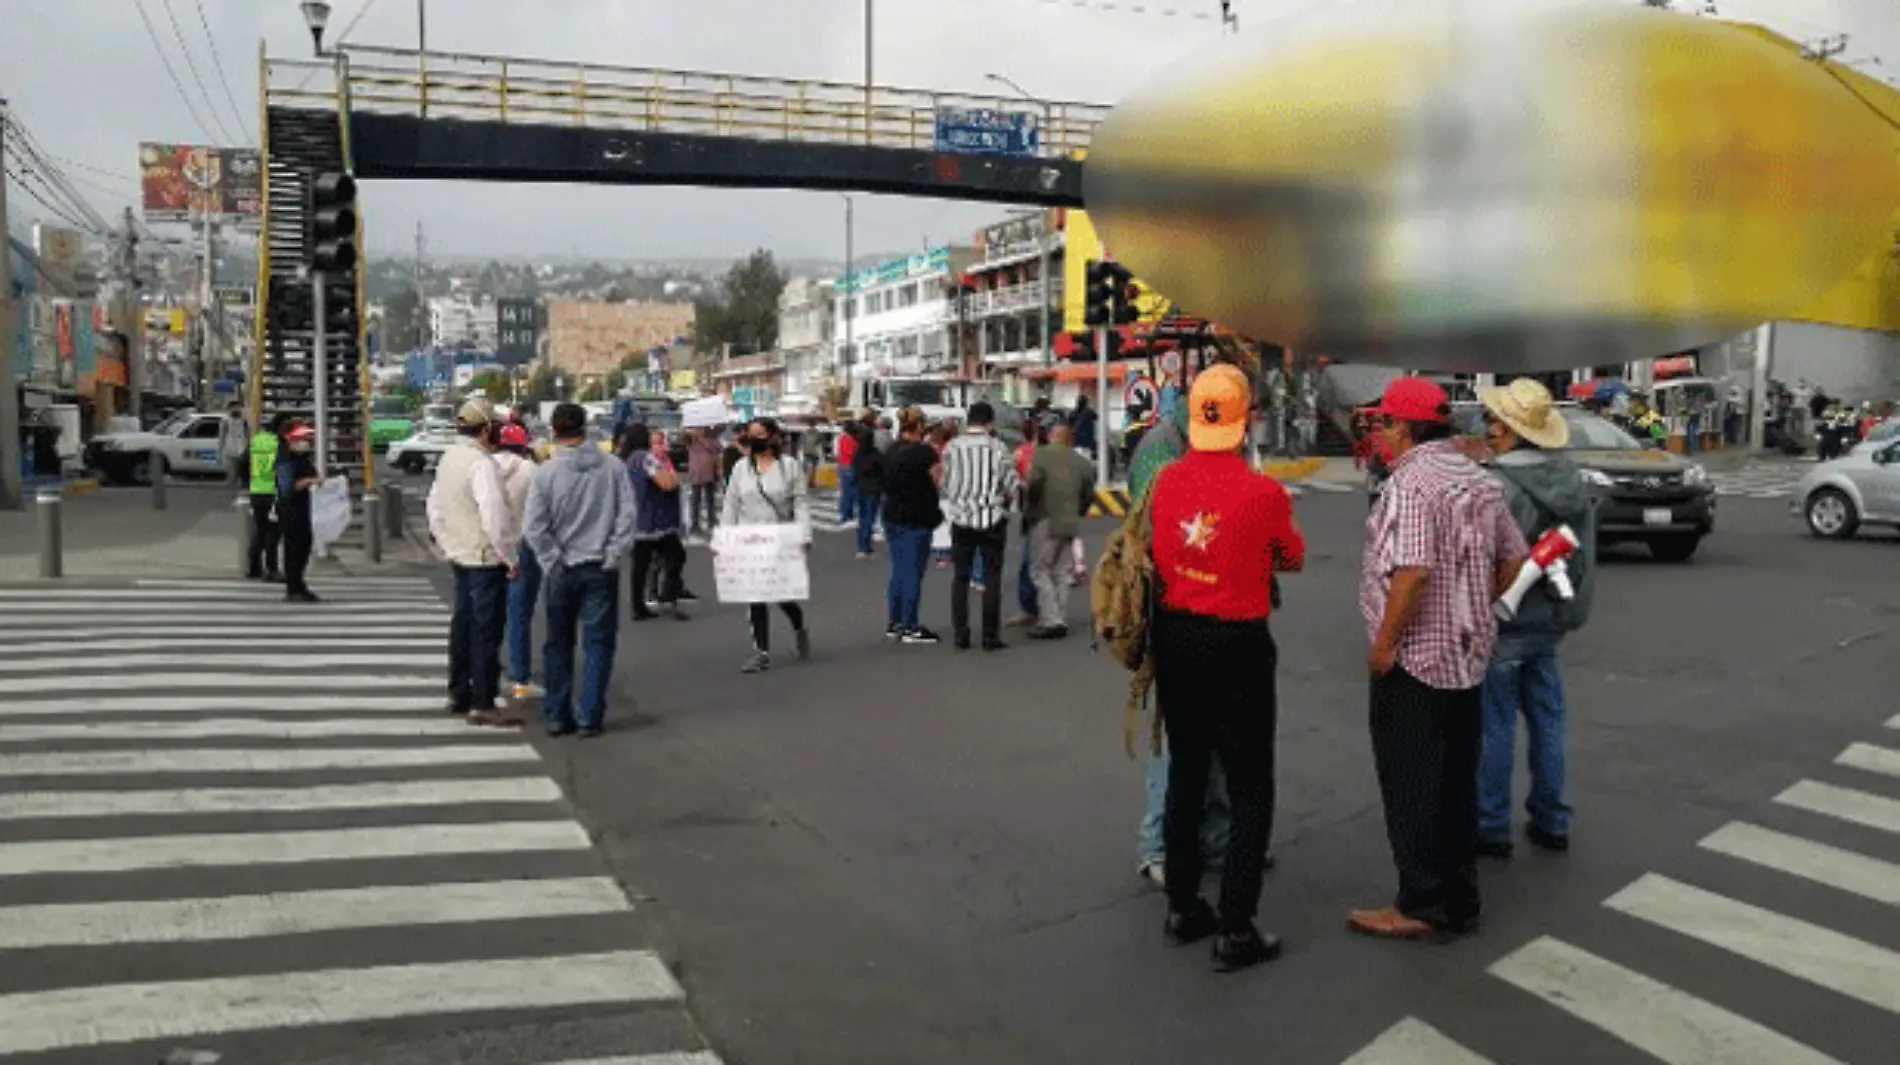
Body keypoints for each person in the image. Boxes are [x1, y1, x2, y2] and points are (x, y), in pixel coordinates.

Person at [1351, 377, 1528, 940]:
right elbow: (1515, 560)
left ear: (1402, 427)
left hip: (1416, 662)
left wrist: (1384, 644)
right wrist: (1478, 608)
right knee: (1455, 781)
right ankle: (1459, 895)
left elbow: (1413, 572)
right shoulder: (1479, 479)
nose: (1379, 434)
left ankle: (1422, 902)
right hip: (1467, 657)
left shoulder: (1410, 484)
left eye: (1383, 423)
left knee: (1411, 781)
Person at [1146, 364, 1304, 971]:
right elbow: (1291, 557)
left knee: (1186, 772)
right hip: (1237, 642)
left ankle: (1183, 906)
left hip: (1177, 638)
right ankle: (1237, 925)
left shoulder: (1166, 483)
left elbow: (1159, 551)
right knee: (1249, 784)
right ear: (1244, 421)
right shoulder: (1262, 492)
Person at [1474, 379, 1595, 858]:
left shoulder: (1497, 485)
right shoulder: (1570, 477)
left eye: (1495, 422)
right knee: (1547, 720)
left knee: (1495, 724)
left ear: (1510, 431)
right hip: (1552, 616)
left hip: (1507, 619)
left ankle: (1490, 824)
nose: (1488, 429)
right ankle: (1551, 818)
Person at [523, 402, 636, 738]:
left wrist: (550, 558)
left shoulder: (545, 473)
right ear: (585, 428)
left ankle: (558, 714)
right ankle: (590, 715)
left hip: (561, 567)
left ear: (554, 431)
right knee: (598, 644)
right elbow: (627, 516)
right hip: (600, 564)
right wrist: (613, 552)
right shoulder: (613, 467)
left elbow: (533, 526)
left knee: (558, 643)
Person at [427, 398, 521, 728]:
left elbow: (434, 509)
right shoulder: (482, 464)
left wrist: (448, 542)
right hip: (484, 556)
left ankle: (459, 692)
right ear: (486, 429)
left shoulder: (449, 459)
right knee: (486, 630)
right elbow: (494, 516)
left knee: (463, 625)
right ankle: (483, 701)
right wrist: (509, 556)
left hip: (460, 554)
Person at [721, 417, 813, 673]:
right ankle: (761, 651)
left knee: (782, 597)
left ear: (773, 437)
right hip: (750, 541)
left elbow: (800, 503)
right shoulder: (741, 468)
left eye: (760, 434)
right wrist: (725, 538)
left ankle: (798, 626)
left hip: (780, 540)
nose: (755, 439)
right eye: (751, 434)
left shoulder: (789, 467)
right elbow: (731, 503)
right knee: (755, 596)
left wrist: (804, 536)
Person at [939, 401, 1020, 652]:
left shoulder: (952, 447)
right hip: (991, 518)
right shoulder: (998, 448)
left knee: (960, 577)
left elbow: (944, 482)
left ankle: (961, 635)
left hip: (961, 519)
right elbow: (1012, 483)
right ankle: (989, 636)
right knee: (991, 577)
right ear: (990, 422)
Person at [1024, 423, 1094, 639]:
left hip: (1046, 518)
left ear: (1053, 437)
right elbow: (1088, 493)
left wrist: (1030, 508)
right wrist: (1077, 510)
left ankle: (1051, 619)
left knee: (1040, 569)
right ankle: (1060, 616)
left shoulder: (1042, 455)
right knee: (1062, 571)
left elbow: (1034, 483)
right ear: (1069, 439)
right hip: (1069, 521)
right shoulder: (1082, 463)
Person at [881, 407, 943, 644]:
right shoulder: (924, 453)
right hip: (916, 516)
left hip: (891, 514)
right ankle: (911, 625)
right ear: (919, 426)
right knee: (913, 572)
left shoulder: (891, 450)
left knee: (898, 570)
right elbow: (938, 480)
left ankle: (895, 622)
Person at [497, 421, 545, 700]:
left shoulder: (485, 465)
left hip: (491, 547)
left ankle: (487, 670)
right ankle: (520, 679)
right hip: (524, 546)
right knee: (519, 615)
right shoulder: (531, 470)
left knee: (488, 613)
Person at [626, 423, 689, 622]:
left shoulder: (628, 460)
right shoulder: (646, 458)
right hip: (656, 520)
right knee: (676, 556)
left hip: (637, 519)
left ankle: (638, 604)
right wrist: (672, 476)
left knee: (640, 566)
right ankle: (668, 595)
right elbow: (667, 483)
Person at [273, 422, 324, 604]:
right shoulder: (285, 461)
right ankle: (293, 587)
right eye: (301, 439)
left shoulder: (301, 459)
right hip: (290, 509)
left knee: (304, 546)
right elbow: (288, 488)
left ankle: (298, 584)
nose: (305, 442)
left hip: (302, 508)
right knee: (294, 548)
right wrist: (310, 481)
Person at [1007, 415, 1042, 628]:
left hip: (1030, 513)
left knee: (1028, 562)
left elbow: (1013, 483)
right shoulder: (1047, 454)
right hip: (1050, 512)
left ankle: (1029, 608)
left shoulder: (1019, 454)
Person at [246, 413, 289, 583]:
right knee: (273, 532)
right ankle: (272, 569)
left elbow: (243, 462)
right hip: (273, 491)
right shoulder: (279, 444)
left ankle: (253, 566)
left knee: (260, 530)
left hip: (257, 490)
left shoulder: (257, 440)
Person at [850, 416, 885, 559]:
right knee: (869, 518)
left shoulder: (858, 454)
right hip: (873, 489)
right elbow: (883, 469)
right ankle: (867, 547)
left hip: (860, 487)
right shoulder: (875, 454)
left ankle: (861, 547)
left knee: (862, 517)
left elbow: (855, 469)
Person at [687, 426, 723, 539]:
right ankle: (694, 524)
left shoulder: (713, 440)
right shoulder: (691, 439)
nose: (700, 430)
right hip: (696, 473)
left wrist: (719, 468)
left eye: (702, 428)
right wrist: (693, 434)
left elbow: (719, 452)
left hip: (709, 472)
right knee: (695, 499)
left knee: (710, 498)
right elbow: (683, 436)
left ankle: (711, 520)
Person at [836, 415, 861, 525]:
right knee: (849, 492)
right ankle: (846, 514)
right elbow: (850, 452)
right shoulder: (849, 438)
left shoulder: (842, 437)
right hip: (849, 465)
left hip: (843, 465)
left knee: (847, 491)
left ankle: (846, 513)